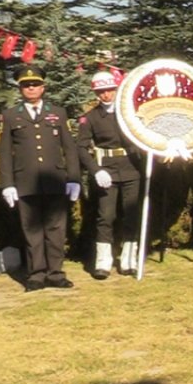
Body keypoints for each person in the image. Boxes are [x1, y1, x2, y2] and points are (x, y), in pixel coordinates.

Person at [0, 64, 82, 292]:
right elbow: (5, 152)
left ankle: (56, 273)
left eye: (35, 84)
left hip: (55, 180)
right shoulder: (11, 115)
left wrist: (74, 178)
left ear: (43, 87)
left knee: (56, 230)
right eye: (26, 85)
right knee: (32, 230)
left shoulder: (58, 113)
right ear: (20, 89)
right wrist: (7, 184)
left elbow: (70, 148)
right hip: (25, 182)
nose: (31, 88)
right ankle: (36, 274)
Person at [76, 70, 142, 279]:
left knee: (131, 214)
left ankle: (128, 259)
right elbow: (80, 147)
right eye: (101, 91)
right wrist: (95, 170)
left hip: (131, 167)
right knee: (106, 216)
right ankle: (103, 261)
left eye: (110, 90)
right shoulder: (91, 118)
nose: (106, 95)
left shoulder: (129, 113)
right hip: (107, 171)